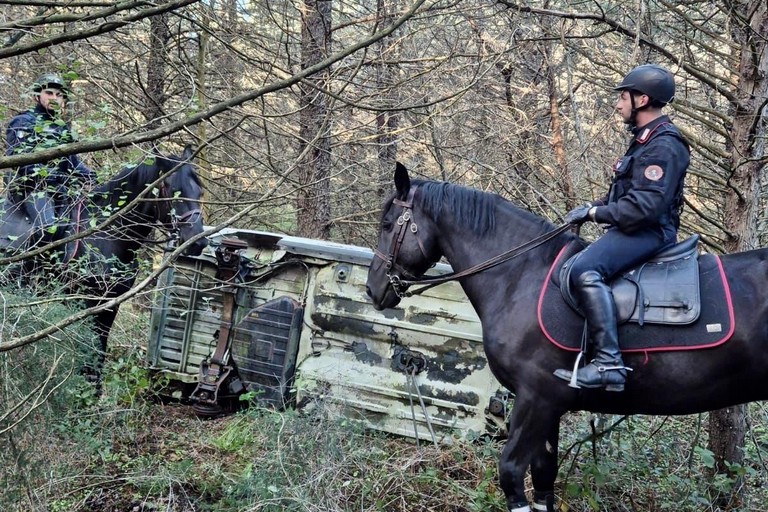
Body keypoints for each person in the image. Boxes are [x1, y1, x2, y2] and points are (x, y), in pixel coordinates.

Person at [554, 64, 691, 391]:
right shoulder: (646, 141)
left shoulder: (664, 145)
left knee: (585, 270)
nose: (618, 104)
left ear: (642, 99)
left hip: (649, 232)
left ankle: (608, 363)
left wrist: (594, 213)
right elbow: (628, 193)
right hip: (635, 229)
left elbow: (646, 206)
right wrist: (593, 206)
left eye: (623, 97)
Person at [4, 72, 95, 245]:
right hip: (32, 190)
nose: (55, 98)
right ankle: (28, 269)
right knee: (47, 227)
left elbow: (72, 163)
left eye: (59, 95)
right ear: (37, 96)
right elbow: (19, 161)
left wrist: (91, 176)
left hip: (61, 190)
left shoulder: (61, 128)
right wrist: (51, 176)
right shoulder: (22, 122)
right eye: (49, 93)